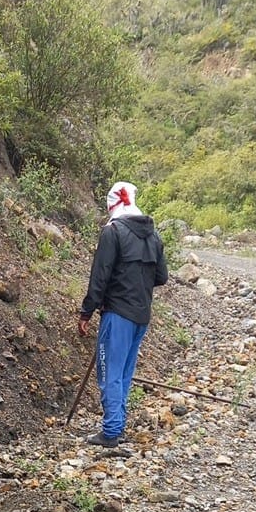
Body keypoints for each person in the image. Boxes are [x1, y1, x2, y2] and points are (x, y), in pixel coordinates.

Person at [77, 181, 168, 447]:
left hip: (117, 314)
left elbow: (100, 276)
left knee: (109, 373)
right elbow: (161, 277)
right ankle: (118, 424)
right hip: (142, 315)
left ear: (112, 204)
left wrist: (86, 312)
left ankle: (111, 431)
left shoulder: (113, 231)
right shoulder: (153, 236)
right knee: (124, 374)